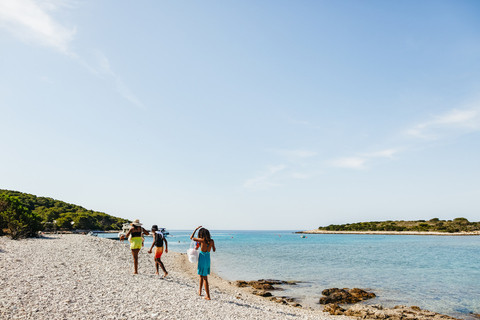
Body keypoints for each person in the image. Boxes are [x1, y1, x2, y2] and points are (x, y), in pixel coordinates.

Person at [190, 226, 216, 300]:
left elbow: (191, 237)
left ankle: (208, 295)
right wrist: (210, 247)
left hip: (202, 258)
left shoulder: (202, 240)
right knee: (201, 275)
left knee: (204, 277)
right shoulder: (211, 241)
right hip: (208, 258)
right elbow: (214, 250)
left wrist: (195, 229)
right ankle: (200, 291)